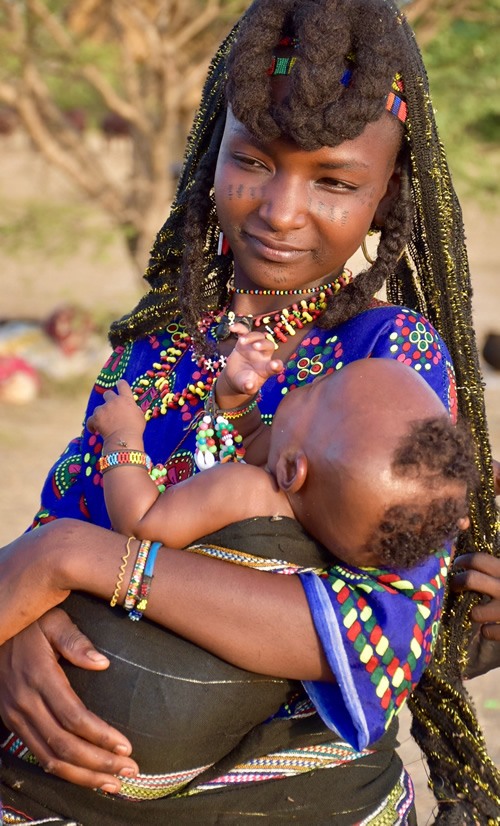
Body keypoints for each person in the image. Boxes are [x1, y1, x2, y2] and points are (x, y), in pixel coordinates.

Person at [1, 0, 500, 823]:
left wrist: (82, 565)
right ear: (210, 153)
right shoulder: (150, 355)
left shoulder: (388, 363)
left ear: (386, 195)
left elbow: (380, 641)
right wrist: (21, 630)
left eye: (335, 181)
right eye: (255, 161)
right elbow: (58, 528)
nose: (280, 211)